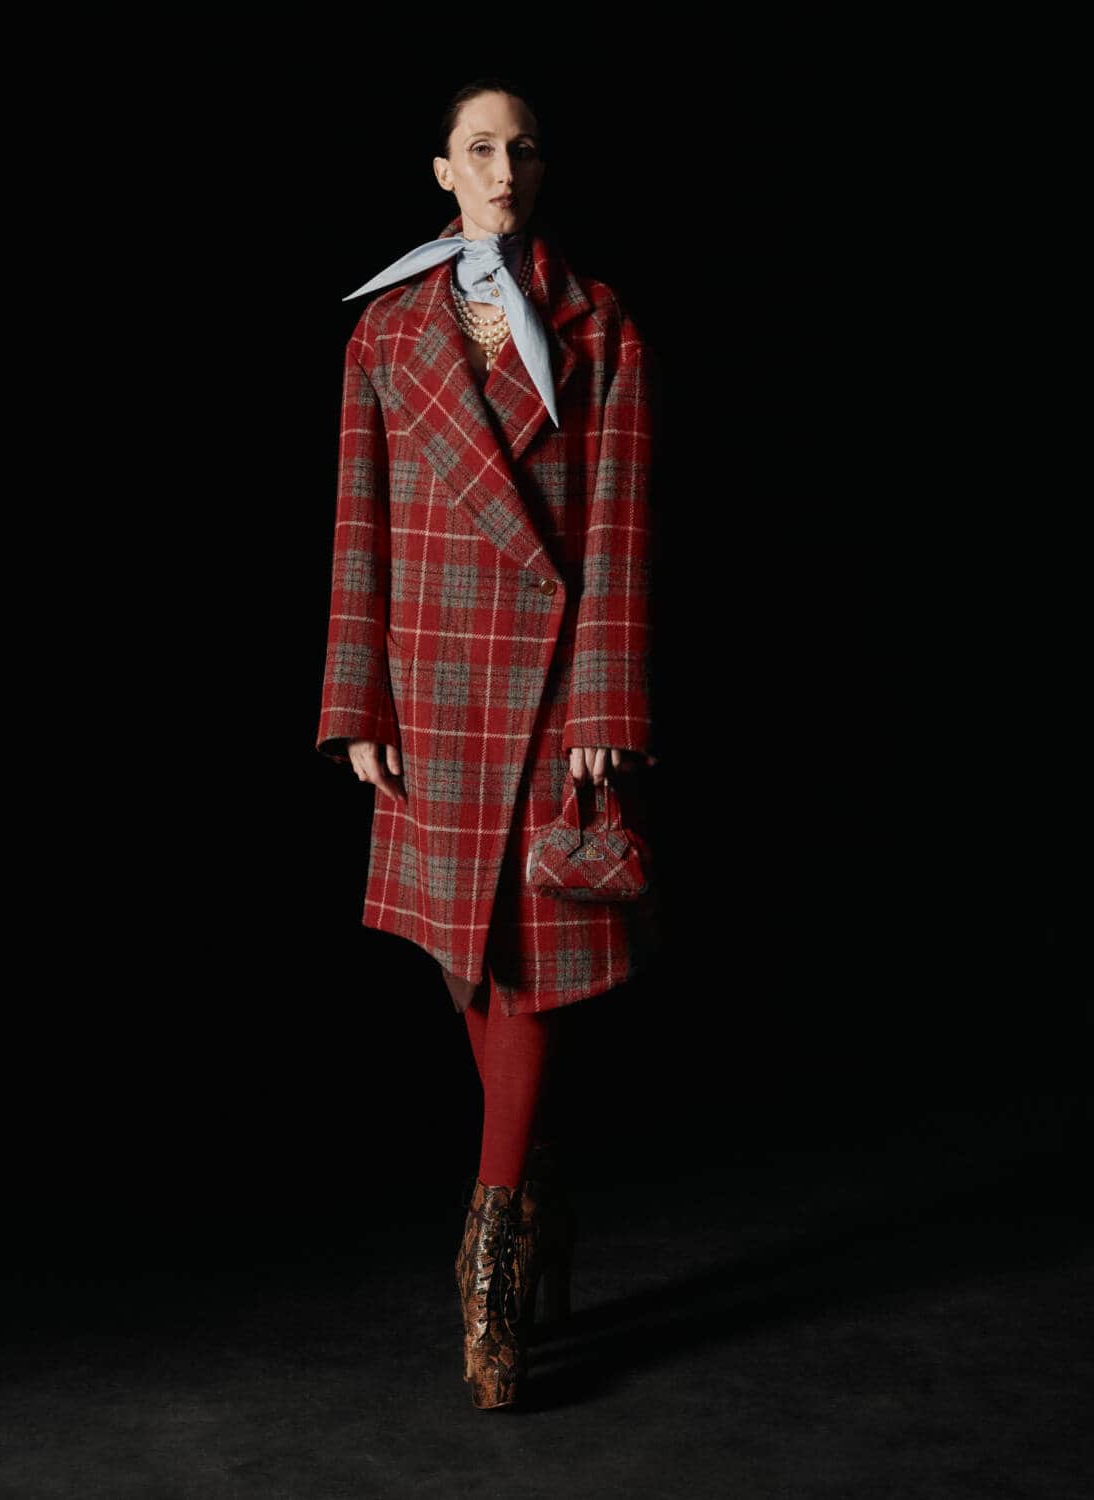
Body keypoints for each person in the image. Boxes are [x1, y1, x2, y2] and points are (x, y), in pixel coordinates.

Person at [315, 76, 660, 1409]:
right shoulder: (384, 331)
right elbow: (359, 524)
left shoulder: (601, 324)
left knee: (517, 963)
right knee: (473, 959)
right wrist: (355, 702)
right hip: (432, 683)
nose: (503, 167)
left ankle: (493, 1249)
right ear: (442, 172)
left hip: (555, 684)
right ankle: (542, 1192)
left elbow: (620, 533)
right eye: (479, 148)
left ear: (541, 169)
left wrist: (605, 707)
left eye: (522, 148)